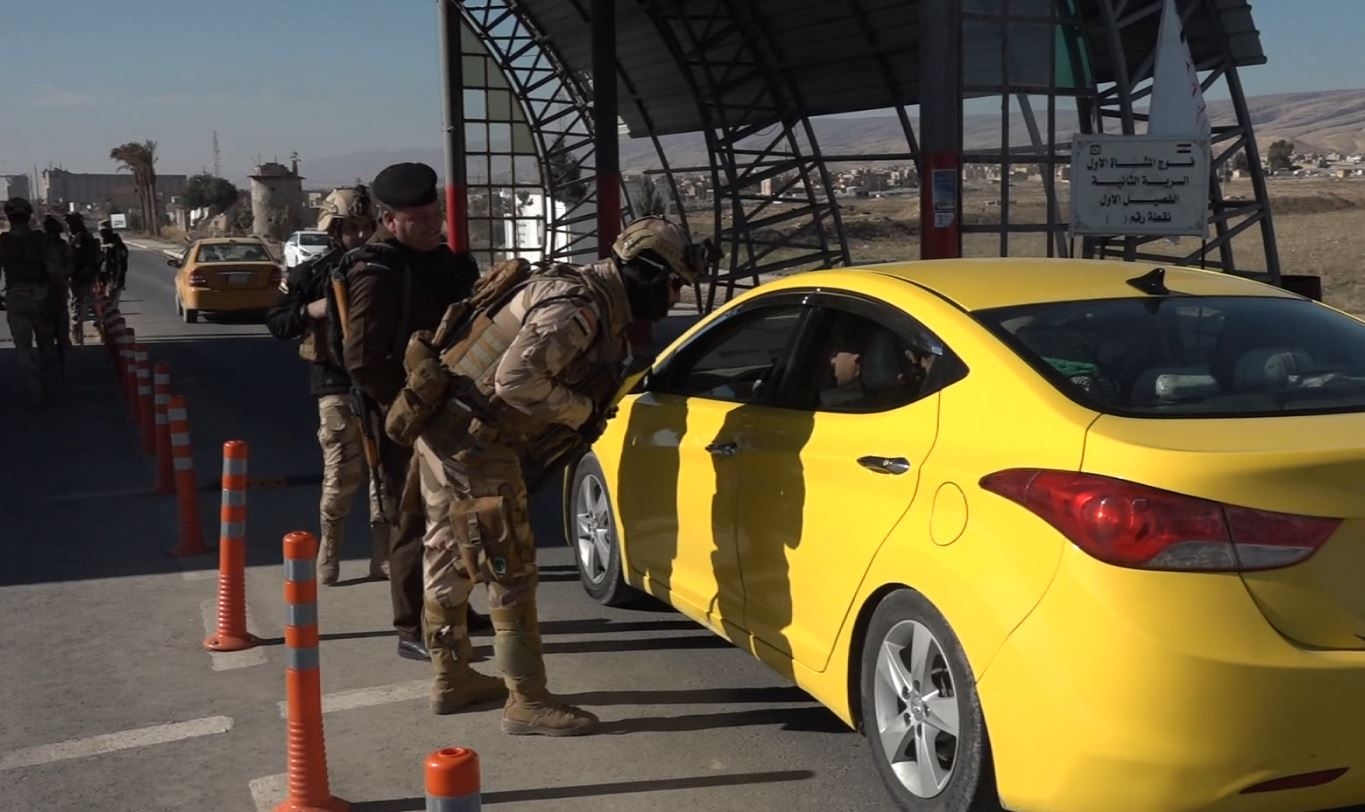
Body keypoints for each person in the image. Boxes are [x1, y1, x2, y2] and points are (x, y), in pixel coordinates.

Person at [409, 214, 710, 734]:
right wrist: (581, 413)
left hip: (445, 434)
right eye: (674, 282)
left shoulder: (573, 287)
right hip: (479, 446)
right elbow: (516, 380)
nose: (675, 295)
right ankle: (526, 699)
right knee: (510, 567)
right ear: (645, 271)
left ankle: (451, 677)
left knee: (446, 554)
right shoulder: (579, 307)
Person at [338, 162, 484, 663]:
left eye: (435, 214)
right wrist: (406, 407)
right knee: (414, 521)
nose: (432, 225)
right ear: (389, 218)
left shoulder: (441, 261)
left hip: (451, 407)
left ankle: (454, 604)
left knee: (461, 515)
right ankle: (409, 625)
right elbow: (361, 360)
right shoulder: (376, 270)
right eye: (419, 218)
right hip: (403, 416)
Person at [266, 186, 391, 586]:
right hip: (335, 386)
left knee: (384, 476)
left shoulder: (386, 269)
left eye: (364, 227)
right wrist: (310, 310)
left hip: (382, 385)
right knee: (339, 477)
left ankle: (382, 557)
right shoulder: (312, 274)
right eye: (349, 228)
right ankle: (330, 555)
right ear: (334, 230)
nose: (358, 235)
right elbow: (278, 323)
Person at [0, 198, 58, 408]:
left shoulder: (4, 241)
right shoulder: (40, 240)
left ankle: (34, 385)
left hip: (15, 295)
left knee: (23, 346)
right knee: (46, 341)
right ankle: (46, 378)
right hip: (41, 295)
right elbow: (53, 269)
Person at [41, 215, 73, 363]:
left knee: (57, 319)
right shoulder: (43, 246)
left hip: (53, 289)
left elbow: (70, 266)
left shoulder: (56, 246)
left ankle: (60, 346)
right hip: (50, 289)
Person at [67, 219, 101, 345]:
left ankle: (76, 334)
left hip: (79, 276)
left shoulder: (79, 238)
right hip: (88, 276)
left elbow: (73, 255)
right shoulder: (88, 237)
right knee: (91, 304)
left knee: (77, 304)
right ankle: (99, 329)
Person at [97, 220, 129, 307]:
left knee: (111, 306)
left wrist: (116, 282)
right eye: (101, 231)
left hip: (113, 280)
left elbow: (121, 265)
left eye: (104, 231)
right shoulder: (102, 245)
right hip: (102, 281)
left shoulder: (117, 246)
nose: (102, 234)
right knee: (101, 306)